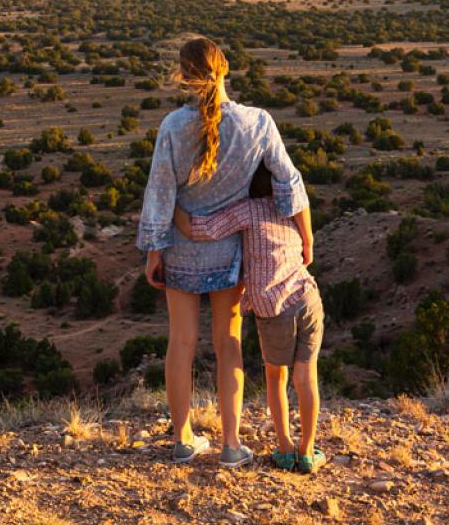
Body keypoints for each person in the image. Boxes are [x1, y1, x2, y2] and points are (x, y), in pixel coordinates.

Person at [136, 37, 309, 467]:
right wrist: (305, 237)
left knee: (181, 342)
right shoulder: (258, 122)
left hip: (180, 249)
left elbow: (160, 191)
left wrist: (153, 249)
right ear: (226, 69)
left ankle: (183, 439)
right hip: (231, 252)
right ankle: (231, 445)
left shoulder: (173, 127)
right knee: (228, 342)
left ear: (184, 74)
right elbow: (289, 182)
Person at [172, 170, 325, 474]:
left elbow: (199, 229)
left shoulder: (246, 210)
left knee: (276, 377)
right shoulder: (289, 206)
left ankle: (284, 447)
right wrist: (308, 241)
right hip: (307, 298)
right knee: (307, 377)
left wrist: (170, 200)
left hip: (273, 310)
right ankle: (307, 451)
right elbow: (301, 195)